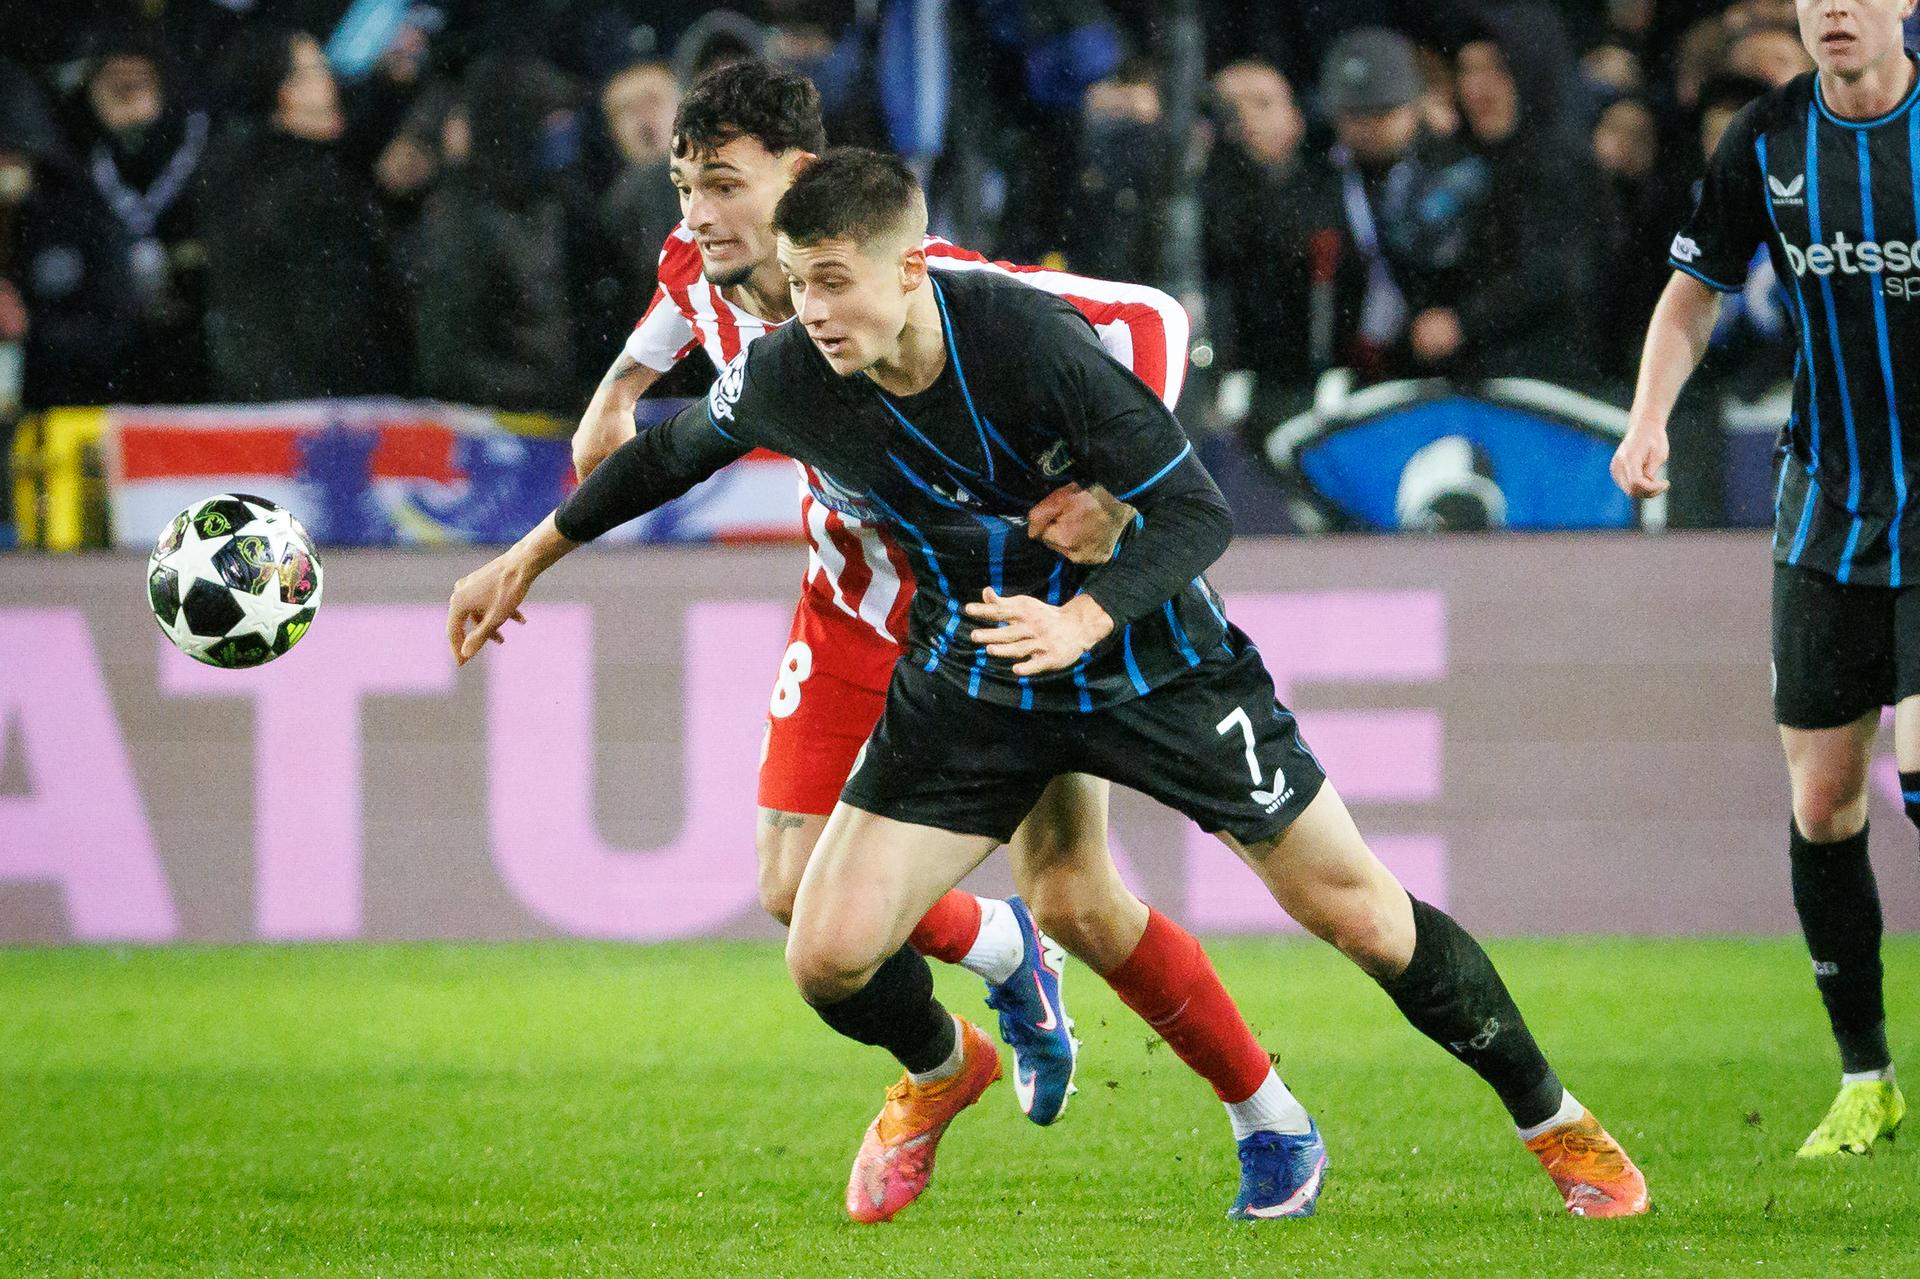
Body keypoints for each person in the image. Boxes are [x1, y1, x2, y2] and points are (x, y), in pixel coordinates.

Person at [451, 146, 1651, 1224]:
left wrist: (1085, 610)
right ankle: (950, 1067)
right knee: (824, 951)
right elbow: (666, 455)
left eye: (835, 282)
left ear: (910, 266)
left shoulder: (1025, 338)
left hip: (1151, 662)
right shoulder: (788, 375)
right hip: (974, 674)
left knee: (1361, 916)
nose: (812, 310)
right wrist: (528, 555)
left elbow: (1197, 511)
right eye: (799, 282)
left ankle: (1558, 1124)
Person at [565, 60, 1303, 1162]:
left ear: (800, 177)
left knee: (1079, 895)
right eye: (687, 190)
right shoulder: (700, 261)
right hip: (850, 604)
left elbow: (1145, 316)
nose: (701, 215)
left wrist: (1111, 489)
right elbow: (669, 318)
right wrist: (615, 394)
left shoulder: (920, 282)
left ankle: (1263, 1107)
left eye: (723, 186)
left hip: (980, 609)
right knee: (792, 892)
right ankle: (978, 1005)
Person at [1615, 0, 1917, 1158]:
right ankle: (1867, 1077)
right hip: (1828, 507)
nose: (1835, 8)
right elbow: (1693, 294)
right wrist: (1650, 420)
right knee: (1824, 803)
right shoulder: (1768, 140)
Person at [198, 27, 404, 401]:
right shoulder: (296, 184)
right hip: (311, 400)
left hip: (286, 396)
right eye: (317, 72)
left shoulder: (255, 170)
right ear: (285, 92)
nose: (332, 85)